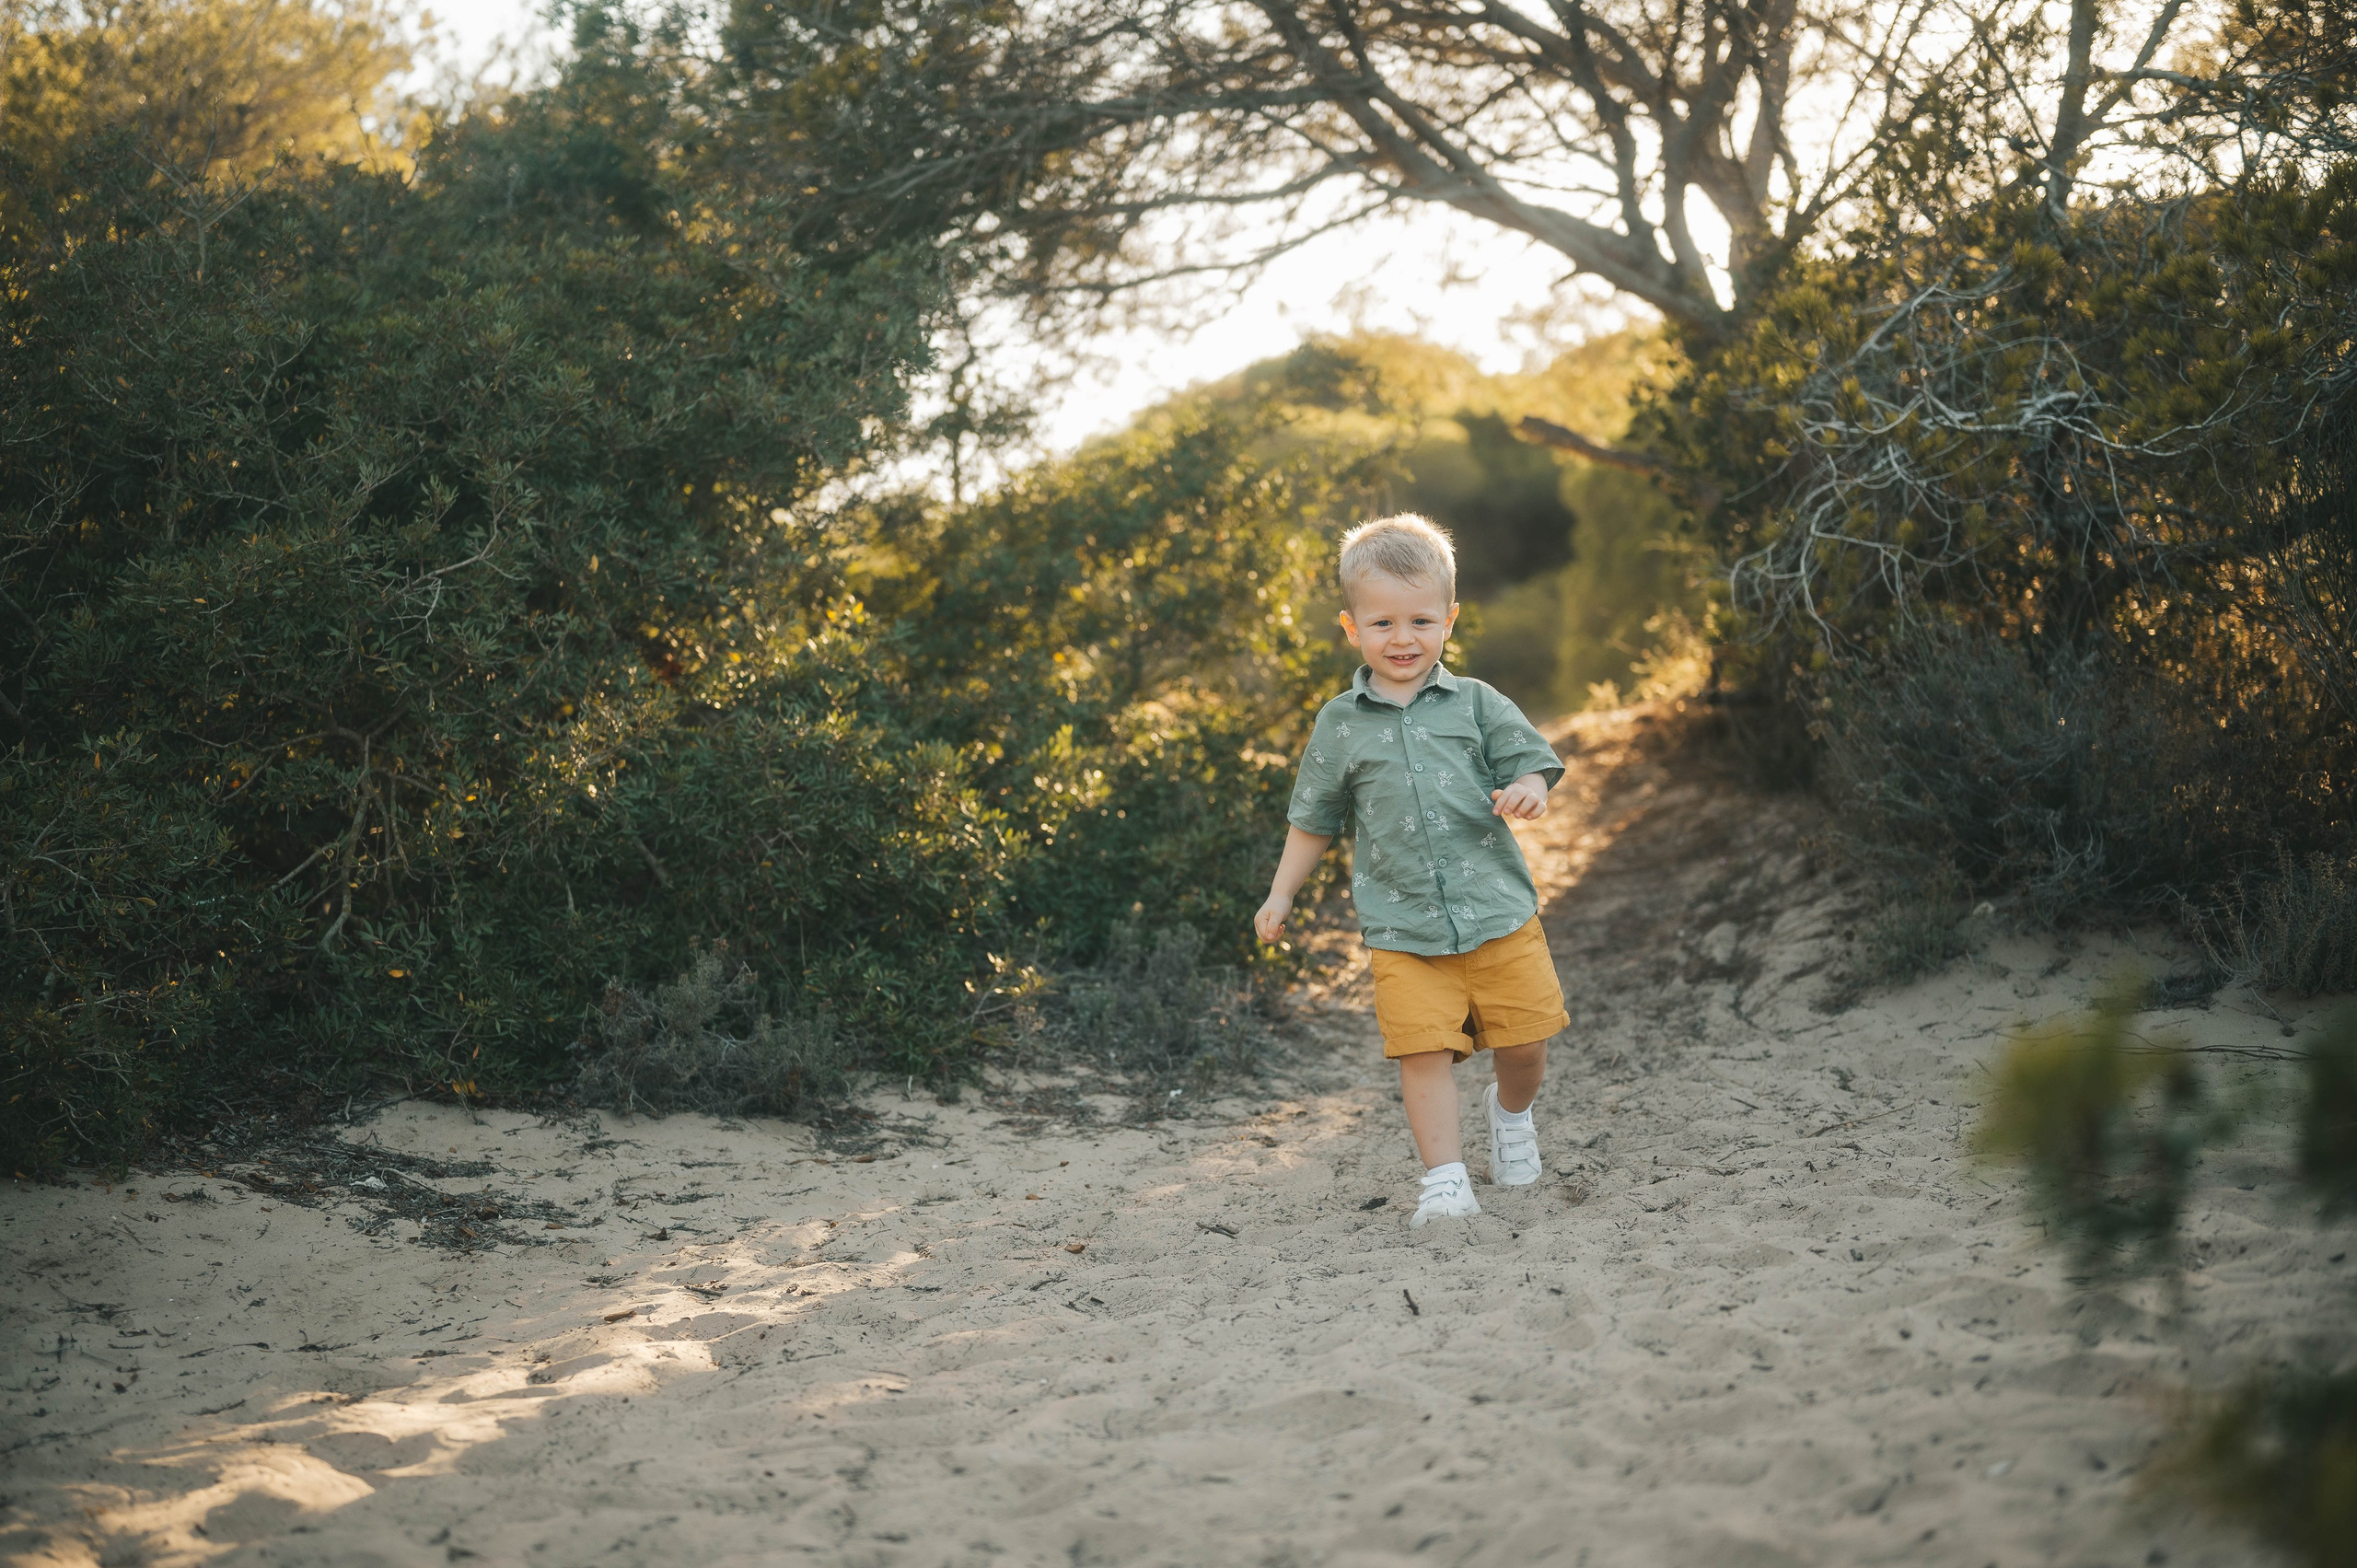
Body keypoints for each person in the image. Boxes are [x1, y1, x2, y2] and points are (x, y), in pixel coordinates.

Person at [1254, 514, 1568, 1226]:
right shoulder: (1339, 723)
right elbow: (1314, 818)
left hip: (1497, 913)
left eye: (1422, 620)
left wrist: (1530, 789)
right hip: (1402, 926)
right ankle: (1447, 1177)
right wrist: (1280, 894)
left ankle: (1511, 1115)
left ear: (1450, 620)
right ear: (1350, 626)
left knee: (1525, 1044)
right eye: (1383, 622)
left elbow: (1531, 759)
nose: (1403, 638)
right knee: (1422, 1052)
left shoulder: (1477, 702)